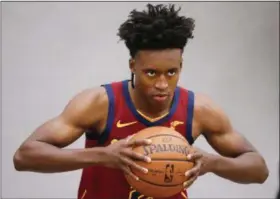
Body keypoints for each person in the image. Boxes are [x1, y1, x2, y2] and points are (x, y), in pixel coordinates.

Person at [13, 3, 269, 199]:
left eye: (171, 73)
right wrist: (102, 155)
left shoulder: (199, 110)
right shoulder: (99, 103)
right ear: (132, 66)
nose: (162, 84)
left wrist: (214, 163)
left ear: (181, 65)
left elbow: (259, 169)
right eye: (151, 73)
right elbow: (25, 156)